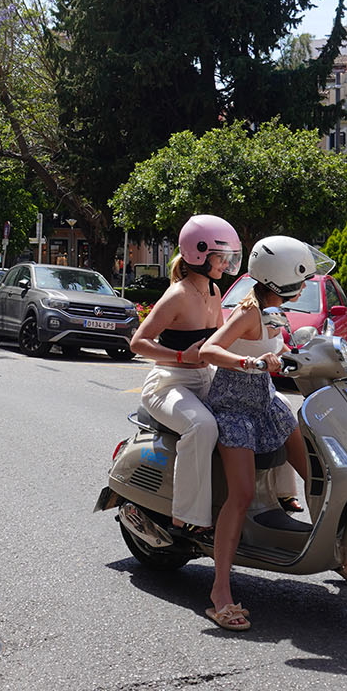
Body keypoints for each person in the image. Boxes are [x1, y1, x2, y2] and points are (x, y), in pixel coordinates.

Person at [197, 235, 323, 632]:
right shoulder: (250, 312)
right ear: (283, 278)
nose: (305, 286)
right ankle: (220, 593)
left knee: (316, 472)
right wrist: (250, 360)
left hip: (265, 403)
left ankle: (341, 552)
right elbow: (209, 351)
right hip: (234, 408)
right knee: (242, 495)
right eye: (301, 279)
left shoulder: (276, 310)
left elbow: (278, 352)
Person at [127, 214, 244, 538]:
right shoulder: (178, 294)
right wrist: (181, 356)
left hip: (203, 379)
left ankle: (270, 498)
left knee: (257, 409)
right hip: (168, 382)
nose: (225, 263)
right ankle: (186, 518)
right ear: (200, 254)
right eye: (221, 257)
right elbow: (139, 342)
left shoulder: (214, 291)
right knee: (202, 426)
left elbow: (219, 338)